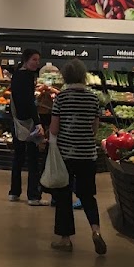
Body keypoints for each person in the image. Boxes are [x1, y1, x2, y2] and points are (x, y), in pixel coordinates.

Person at [48, 58, 106, 255]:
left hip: (66, 155)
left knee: (64, 197)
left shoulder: (62, 98)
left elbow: (54, 128)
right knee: (87, 195)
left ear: (65, 76)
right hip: (88, 154)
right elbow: (94, 129)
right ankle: (96, 230)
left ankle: (65, 239)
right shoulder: (93, 98)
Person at [8, 48, 45, 205]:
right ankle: (33, 196)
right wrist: (37, 123)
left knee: (18, 157)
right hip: (28, 123)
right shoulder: (28, 77)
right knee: (33, 159)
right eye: (34, 60)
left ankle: (14, 192)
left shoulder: (16, 74)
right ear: (26, 60)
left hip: (17, 122)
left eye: (38, 60)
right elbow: (29, 102)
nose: (37, 63)